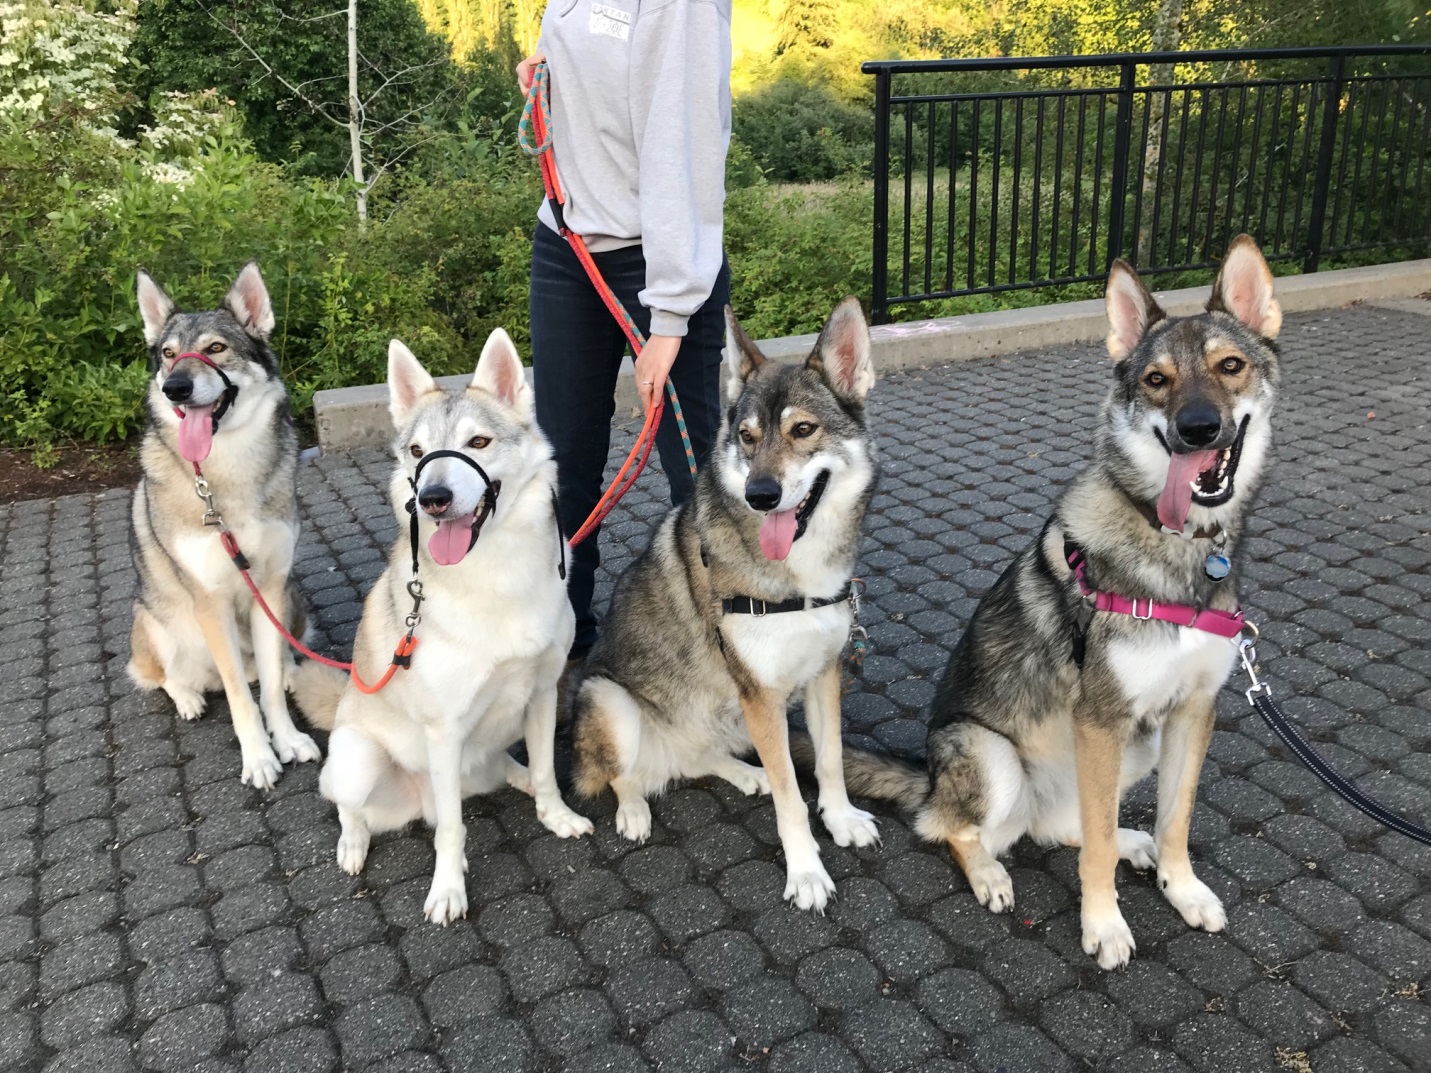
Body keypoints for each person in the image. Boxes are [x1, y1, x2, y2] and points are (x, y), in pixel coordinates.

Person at [517, 0, 734, 665]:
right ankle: (563, 651)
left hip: (656, 262)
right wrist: (549, 83)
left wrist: (669, 317)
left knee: (699, 486)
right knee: (559, 466)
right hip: (566, 244)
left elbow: (681, 149)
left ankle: (738, 664)